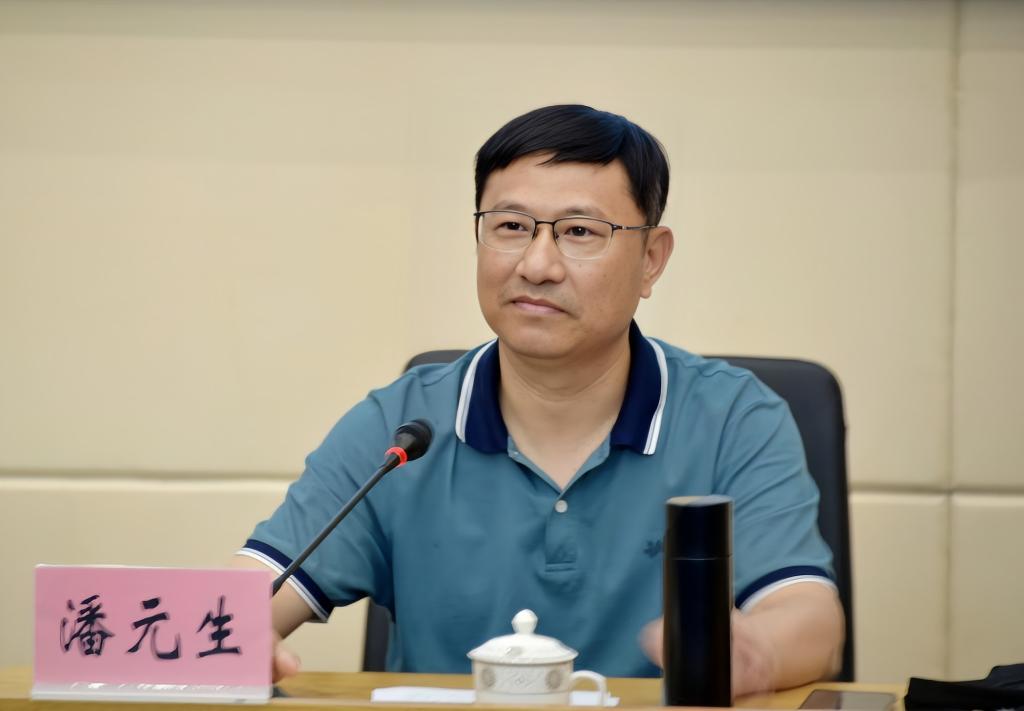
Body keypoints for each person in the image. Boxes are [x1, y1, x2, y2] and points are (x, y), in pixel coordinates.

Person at [232, 104, 844, 696]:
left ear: (651, 260)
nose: (537, 264)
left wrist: (755, 651)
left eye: (579, 231)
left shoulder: (734, 419)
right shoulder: (399, 428)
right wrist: (232, 637)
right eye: (510, 227)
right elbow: (252, 591)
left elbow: (807, 615)